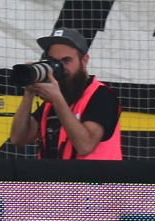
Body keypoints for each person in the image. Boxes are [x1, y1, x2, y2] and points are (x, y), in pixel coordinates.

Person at [9, 28, 122, 159]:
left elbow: (85, 146)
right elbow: (18, 139)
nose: (60, 68)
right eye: (54, 62)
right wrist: (29, 93)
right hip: (56, 177)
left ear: (84, 60)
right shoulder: (54, 98)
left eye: (66, 61)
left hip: (94, 178)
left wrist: (57, 100)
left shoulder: (101, 95)